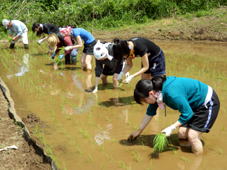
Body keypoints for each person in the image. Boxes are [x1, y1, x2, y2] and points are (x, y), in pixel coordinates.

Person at [128, 76, 220, 155]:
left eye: (144, 101)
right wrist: (138, 131)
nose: (146, 103)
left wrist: (171, 127)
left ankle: (197, 160)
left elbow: (187, 113)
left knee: (192, 136)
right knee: (182, 133)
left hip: (207, 102)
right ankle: (184, 155)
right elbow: (149, 113)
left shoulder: (171, 93)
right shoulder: (156, 92)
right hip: (192, 104)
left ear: (150, 93)